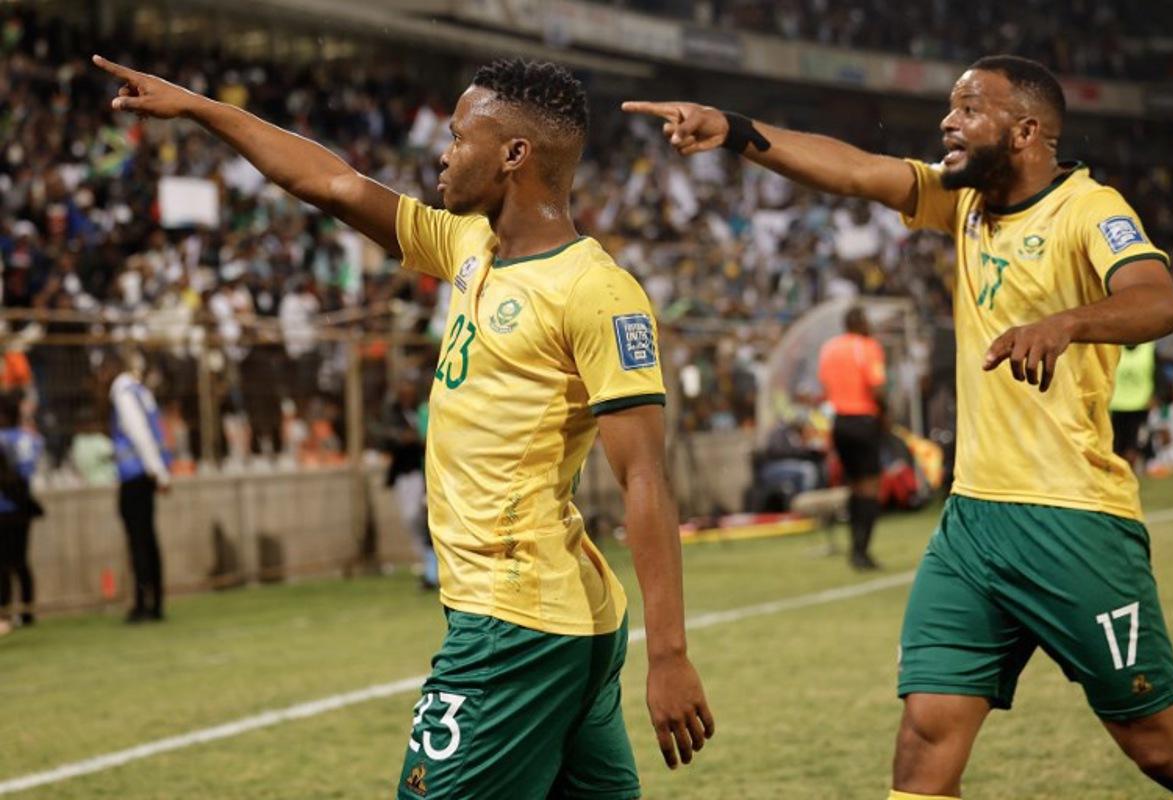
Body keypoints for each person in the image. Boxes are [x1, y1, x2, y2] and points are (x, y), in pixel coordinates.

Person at [93, 54, 713, 798]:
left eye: (459, 137)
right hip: (561, 620)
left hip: (514, 623)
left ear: (515, 155)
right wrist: (197, 106)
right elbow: (331, 183)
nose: (443, 153)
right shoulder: (468, 247)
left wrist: (669, 652)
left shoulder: (596, 292)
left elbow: (644, 475)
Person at [626, 54, 1173, 798]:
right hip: (972, 527)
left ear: (1026, 130)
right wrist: (735, 130)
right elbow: (857, 171)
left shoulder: (1090, 209)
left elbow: (1159, 302)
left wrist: (1065, 323)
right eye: (950, 108)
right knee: (925, 738)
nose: (946, 123)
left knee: (1161, 752)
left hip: (1073, 522)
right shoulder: (961, 201)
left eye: (968, 110)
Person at [100, 354, 172, 624]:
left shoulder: (123, 390)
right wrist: (160, 471)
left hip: (136, 473)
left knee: (138, 541)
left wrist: (157, 471)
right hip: (148, 472)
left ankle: (145, 603)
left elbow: (138, 431)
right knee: (148, 539)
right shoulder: (141, 391)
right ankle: (156, 602)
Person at [817, 306, 887, 569]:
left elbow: (824, 384)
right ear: (860, 322)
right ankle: (861, 551)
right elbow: (877, 386)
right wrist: (886, 414)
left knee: (854, 485)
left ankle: (855, 549)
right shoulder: (867, 347)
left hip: (840, 423)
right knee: (871, 486)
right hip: (863, 419)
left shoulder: (830, 348)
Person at [375, 373, 437, 590]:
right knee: (412, 517)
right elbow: (386, 436)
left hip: (427, 471)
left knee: (427, 516)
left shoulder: (423, 409)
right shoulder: (393, 414)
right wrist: (402, 437)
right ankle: (428, 563)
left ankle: (432, 569)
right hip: (408, 472)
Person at [0, 392, 44, 627]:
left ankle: (5, 614)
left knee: (3, 565)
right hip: (23, 505)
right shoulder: (31, 439)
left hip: (4, 506)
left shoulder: (3, 439)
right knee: (21, 561)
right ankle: (28, 612)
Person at [1110, 341, 1156, 470]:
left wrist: (1155, 395)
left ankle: (1130, 474)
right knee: (1117, 445)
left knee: (1134, 445)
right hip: (1117, 405)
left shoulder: (1148, 349)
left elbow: (1157, 373)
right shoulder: (1114, 348)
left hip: (1140, 405)